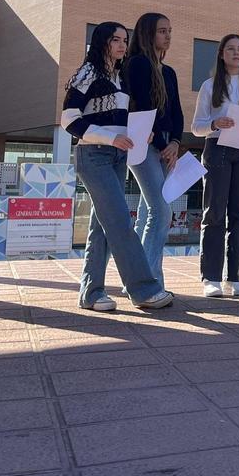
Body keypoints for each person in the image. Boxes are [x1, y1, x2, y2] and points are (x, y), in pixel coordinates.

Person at [61, 22, 173, 312]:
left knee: (102, 226)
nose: (122, 45)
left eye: (125, 39)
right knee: (121, 220)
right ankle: (144, 289)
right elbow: (69, 119)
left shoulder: (120, 77)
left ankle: (91, 293)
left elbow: (119, 119)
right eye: (115, 40)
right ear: (102, 42)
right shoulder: (87, 73)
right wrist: (111, 137)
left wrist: (141, 132)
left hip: (116, 156)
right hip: (93, 156)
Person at [192, 33, 239, 298]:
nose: (236, 53)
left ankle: (234, 278)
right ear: (222, 54)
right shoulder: (210, 86)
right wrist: (215, 123)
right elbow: (196, 127)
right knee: (214, 212)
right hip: (217, 148)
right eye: (231, 49)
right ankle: (210, 277)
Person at [124, 12, 184, 292]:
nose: (168, 36)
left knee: (149, 213)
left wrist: (175, 143)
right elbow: (143, 107)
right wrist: (163, 144)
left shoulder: (169, 71)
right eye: (162, 31)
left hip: (164, 148)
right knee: (161, 211)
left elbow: (176, 113)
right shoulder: (137, 64)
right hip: (143, 145)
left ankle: (136, 279)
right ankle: (147, 284)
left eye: (170, 31)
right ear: (148, 34)